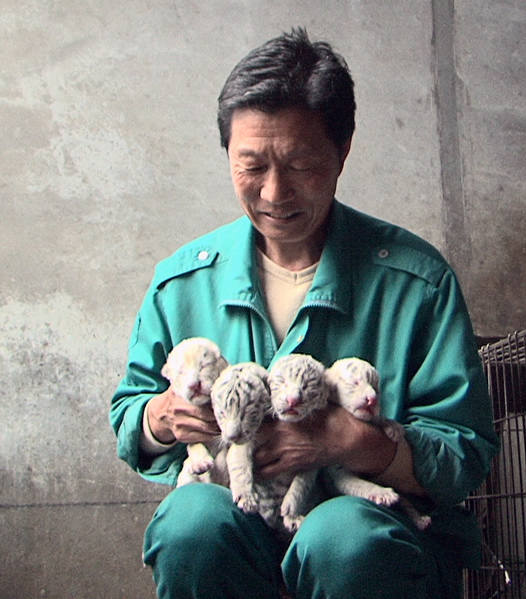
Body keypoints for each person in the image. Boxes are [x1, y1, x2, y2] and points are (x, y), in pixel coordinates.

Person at [110, 28, 499, 599]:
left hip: (376, 537)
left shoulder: (417, 282)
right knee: (191, 520)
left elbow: (465, 452)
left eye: (300, 165)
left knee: (343, 536)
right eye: (251, 166)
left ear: (342, 151)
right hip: (236, 520)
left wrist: (352, 444)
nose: (273, 192)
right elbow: (129, 415)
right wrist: (161, 418)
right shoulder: (182, 281)